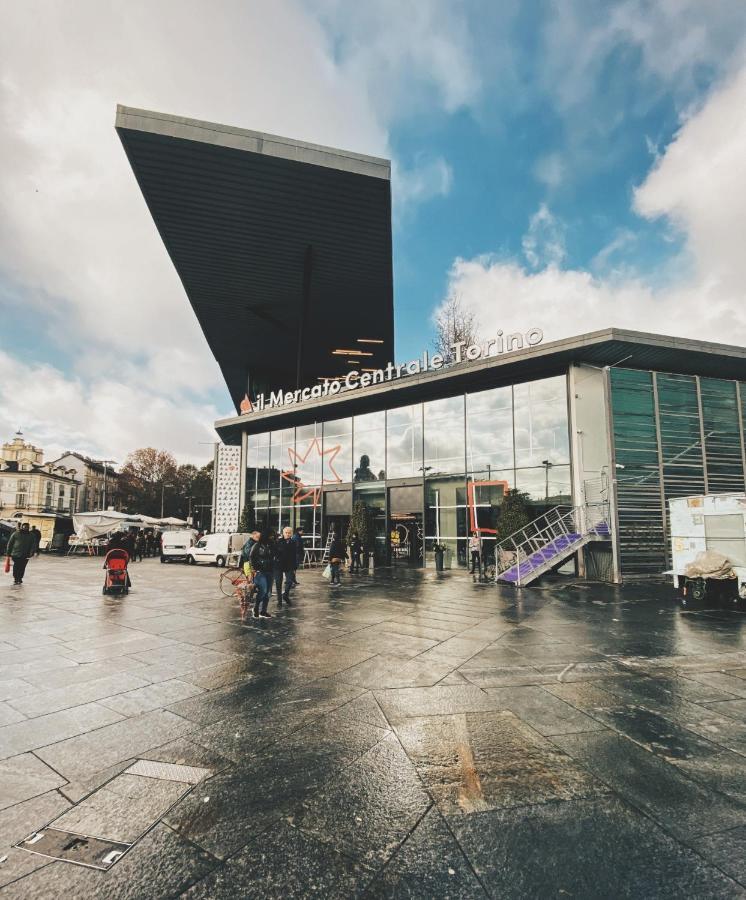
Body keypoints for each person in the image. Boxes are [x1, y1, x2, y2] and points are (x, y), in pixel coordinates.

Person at [248, 531, 274, 618]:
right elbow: (251, 557)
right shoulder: (257, 546)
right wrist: (253, 569)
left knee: (268, 592)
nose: (272, 538)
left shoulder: (271, 545)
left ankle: (263, 611)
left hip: (270, 570)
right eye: (270, 536)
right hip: (260, 571)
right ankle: (256, 608)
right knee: (263, 590)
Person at [274, 527, 296, 606]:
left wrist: (295, 567)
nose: (287, 534)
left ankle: (285, 595)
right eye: (286, 532)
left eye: (289, 532)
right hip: (278, 565)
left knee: (290, 581)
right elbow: (274, 553)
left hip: (289, 565)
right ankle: (279, 601)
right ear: (283, 533)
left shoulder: (294, 542)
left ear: (291, 534)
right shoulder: (278, 542)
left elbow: (295, 555)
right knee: (278, 583)